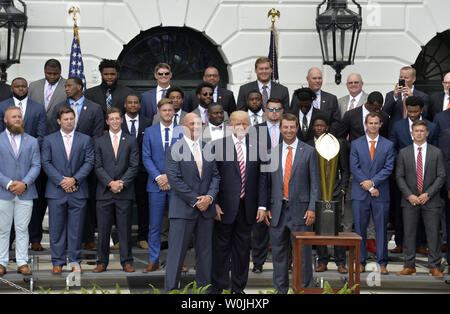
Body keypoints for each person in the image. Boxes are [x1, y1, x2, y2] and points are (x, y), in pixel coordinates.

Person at [211, 110, 268, 294]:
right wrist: (215, 203)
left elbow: (262, 179)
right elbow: (213, 177)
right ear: (230, 126)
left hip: (247, 208)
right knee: (220, 250)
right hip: (224, 208)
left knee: (242, 252)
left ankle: (238, 288)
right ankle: (219, 287)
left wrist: (262, 205)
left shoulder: (258, 147)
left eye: (245, 123)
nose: (242, 126)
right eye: (238, 123)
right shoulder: (218, 146)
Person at [164, 113, 220, 292]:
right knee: (176, 255)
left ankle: (204, 292)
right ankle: (171, 290)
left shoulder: (208, 148)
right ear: (182, 127)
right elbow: (174, 180)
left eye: (198, 124)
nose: (195, 127)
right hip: (183, 210)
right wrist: (197, 201)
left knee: (205, 255)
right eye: (191, 124)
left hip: (206, 211)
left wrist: (209, 198)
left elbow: (216, 176)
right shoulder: (174, 149)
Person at [265, 113, 320, 293]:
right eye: (285, 127)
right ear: (280, 129)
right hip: (277, 212)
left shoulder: (309, 151)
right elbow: (266, 183)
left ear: (297, 128)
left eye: (292, 127)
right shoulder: (272, 152)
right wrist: (265, 208)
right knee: (279, 257)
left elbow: (315, 184)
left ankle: (304, 290)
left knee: (303, 256)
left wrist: (312, 208)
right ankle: (280, 291)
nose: (289, 130)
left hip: (302, 212)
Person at [49, 76, 104, 250]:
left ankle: (87, 238)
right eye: (65, 86)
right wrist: (64, 178)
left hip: (85, 165)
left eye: (69, 85)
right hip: (61, 170)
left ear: (80, 87)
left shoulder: (94, 108)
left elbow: (97, 136)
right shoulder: (59, 108)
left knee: (85, 207)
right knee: (59, 218)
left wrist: (78, 174)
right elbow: (52, 137)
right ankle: (62, 248)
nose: (66, 88)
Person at [41, 107, 94, 274]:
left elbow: (89, 162)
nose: (69, 122)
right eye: (66, 119)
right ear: (59, 121)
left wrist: (74, 179)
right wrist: (61, 181)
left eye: (71, 119)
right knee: (56, 228)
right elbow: (46, 162)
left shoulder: (85, 139)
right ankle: (57, 262)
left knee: (76, 229)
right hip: (56, 191)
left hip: (78, 190)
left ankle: (75, 261)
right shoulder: (49, 140)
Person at [0, 77, 47, 251]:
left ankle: (35, 238)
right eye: (16, 86)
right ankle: (8, 245)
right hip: (5, 167)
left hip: (30, 164)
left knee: (34, 208)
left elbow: (41, 135)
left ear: (27, 87)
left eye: (23, 86)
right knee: (4, 225)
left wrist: (30, 150)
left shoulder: (38, 107)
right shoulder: (2, 106)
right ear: (11, 88)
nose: (20, 89)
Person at [395, 120, 445, 277]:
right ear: (411, 133)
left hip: (431, 200)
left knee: (433, 234)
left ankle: (434, 266)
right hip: (410, 200)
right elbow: (399, 176)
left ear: (427, 133)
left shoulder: (436, 152)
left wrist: (428, 194)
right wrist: (409, 195)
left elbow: (441, 176)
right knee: (409, 234)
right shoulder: (404, 152)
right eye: (416, 131)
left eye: (422, 131)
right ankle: (409, 265)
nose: (419, 133)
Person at [389, 96, 438, 254]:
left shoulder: (431, 126)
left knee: (425, 209)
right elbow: (392, 147)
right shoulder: (398, 126)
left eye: (415, 111)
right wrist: (405, 162)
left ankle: (421, 243)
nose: (412, 114)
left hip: (425, 174)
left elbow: (435, 150)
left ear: (421, 110)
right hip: (403, 175)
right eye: (409, 111)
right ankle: (400, 242)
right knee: (400, 210)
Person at [92, 107, 139, 273]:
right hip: (104, 192)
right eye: (111, 119)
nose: (114, 122)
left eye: (117, 118)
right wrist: (110, 183)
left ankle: (126, 261)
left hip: (124, 192)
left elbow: (134, 166)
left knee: (124, 230)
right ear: (107, 121)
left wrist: (122, 183)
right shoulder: (99, 141)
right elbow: (97, 166)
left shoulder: (131, 140)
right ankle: (101, 262)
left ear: (121, 120)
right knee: (103, 230)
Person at [350, 112, 395, 274]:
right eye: (371, 123)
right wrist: (369, 187)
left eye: (376, 123)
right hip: (360, 193)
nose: (373, 126)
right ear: (365, 124)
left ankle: (382, 263)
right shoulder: (355, 144)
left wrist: (374, 182)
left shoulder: (388, 145)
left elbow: (388, 168)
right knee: (360, 230)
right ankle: (360, 262)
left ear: (380, 125)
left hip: (380, 193)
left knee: (381, 229)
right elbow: (354, 167)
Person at [142, 98, 184, 272]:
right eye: (164, 110)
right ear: (159, 112)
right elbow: (146, 157)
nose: (167, 113)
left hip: (176, 186)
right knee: (155, 225)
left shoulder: (182, 132)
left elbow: (184, 158)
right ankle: (153, 260)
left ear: (174, 112)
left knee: (177, 225)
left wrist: (170, 178)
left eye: (170, 110)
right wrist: (159, 177)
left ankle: (177, 261)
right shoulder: (150, 132)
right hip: (155, 185)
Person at [0, 106, 41, 276]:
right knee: (2, 229)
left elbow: (36, 165)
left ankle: (22, 262)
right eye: (14, 117)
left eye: (19, 117)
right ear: (5, 120)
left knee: (23, 228)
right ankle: (1, 262)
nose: (17, 119)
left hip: (26, 192)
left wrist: (25, 183)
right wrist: (9, 183)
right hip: (3, 192)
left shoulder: (31, 141)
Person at [307, 114, 349, 274]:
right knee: (319, 227)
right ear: (313, 128)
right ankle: (322, 261)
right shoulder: (308, 144)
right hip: (315, 193)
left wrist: (343, 188)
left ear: (327, 127)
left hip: (335, 191)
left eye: (322, 125)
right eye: (316, 126)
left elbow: (345, 169)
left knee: (337, 226)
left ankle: (340, 262)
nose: (319, 128)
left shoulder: (338, 143)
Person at [251, 97, 284, 273]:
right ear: (265, 111)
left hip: (283, 180)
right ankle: (258, 262)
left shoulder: (288, 129)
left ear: (282, 111)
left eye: (277, 109)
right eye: (271, 109)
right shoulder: (256, 130)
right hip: (260, 180)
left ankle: (288, 263)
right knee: (260, 224)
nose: (274, 113)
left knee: (283, 224)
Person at [120, 94, 153, 249]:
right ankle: (121, 239)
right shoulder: (117, 121)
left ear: (140, 105)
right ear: (125, 105)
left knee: (143, 205)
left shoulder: (148, 121)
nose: (133, 105)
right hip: (122, 170)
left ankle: (142, 237)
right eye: (130, 102)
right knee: (122, 206)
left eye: (136, 102)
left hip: (142, 170)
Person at [382, 66, 431, 131]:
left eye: (406, 78)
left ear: (413, 79)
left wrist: (412, 97)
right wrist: (394, 97)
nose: (403, 80)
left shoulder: (422, 96)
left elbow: (425, 114)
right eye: (401, 77)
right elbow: (385, 113)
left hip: (415, 129)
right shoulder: (390, 94)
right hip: (395, 130)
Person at [28, 59, 67, 124]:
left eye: (55, 74)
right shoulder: (33, 86)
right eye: (49, 73)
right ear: (44, 71)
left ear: (60, 72)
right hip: (36, 127)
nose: (52, 76)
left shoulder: (68, 86)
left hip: (58, 127)